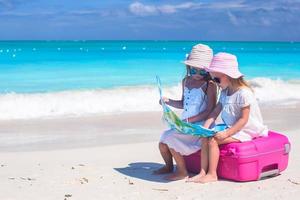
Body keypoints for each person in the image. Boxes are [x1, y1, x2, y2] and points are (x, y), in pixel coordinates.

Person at [187, 52, 268, 183]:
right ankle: (202, 172)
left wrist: (226, 134)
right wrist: (205, 128)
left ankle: (212, 174)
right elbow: (214, 112)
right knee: (205, 137)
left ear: (227, 76)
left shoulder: (243, 93)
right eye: (213, 79)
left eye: (216, 79)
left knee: (213, 140)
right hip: (233, 128)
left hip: (247, 130)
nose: (215, 83)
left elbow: (243, 120)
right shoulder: (225, 92)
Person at [153, 44, 217, 181]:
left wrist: (190, 121)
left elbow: (209, 110)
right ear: (189, 68)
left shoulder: (210, 85)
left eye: (203, 72)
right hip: (186, 124)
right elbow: (183, 103)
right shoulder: (186, 81)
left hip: (200, 126)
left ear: (209, 71)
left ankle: (182, 171)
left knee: (170, 138)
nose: (199, 75)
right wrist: (168, 101)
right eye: (195, 71)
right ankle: (169, 166)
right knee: (162, 141)